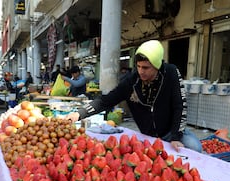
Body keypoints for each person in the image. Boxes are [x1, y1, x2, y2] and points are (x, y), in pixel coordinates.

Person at [66, 40, 202, 152]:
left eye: (146, 68)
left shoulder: (171, 73)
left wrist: (176, 136)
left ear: (157, 65)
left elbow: (180, 105)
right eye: (138, 66)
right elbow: (106, 101)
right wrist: (80, 113)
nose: (141, 71)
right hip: (148, 135)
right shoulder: (132, 81)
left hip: (171, 131)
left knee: (195, 147)